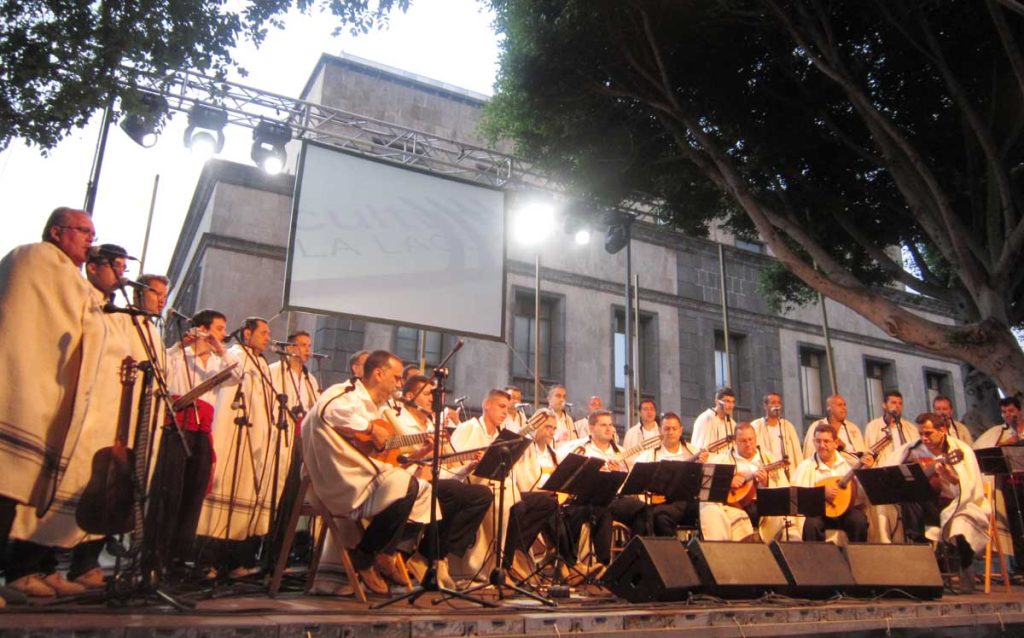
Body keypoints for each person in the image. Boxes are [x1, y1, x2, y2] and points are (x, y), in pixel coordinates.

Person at [6, 244, 135, 597]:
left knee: (80, 494)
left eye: (124, 266)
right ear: (92, 268)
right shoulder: (74, 293)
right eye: (115, 265)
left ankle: (47, 566)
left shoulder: (114, 312)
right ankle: (22, 567)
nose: (121, 273)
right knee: (47, 491)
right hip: (68, 409)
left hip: (101, 419)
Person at [0, 209, 103, 602]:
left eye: (92, 232)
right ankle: (22, 568)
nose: (90, 239)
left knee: (17, 491)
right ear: (57, 232)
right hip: (18, 388)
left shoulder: (67, 275)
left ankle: (33, 568)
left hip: (44, 397)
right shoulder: (35, 260)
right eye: (83, 231)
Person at [303, 351, 433, 595]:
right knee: (407, 485)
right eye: (395, 378)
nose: (399, 383)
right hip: (336, 473)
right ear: (378, 373)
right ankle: (369, 555)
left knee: (421, 489)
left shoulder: (378, 407)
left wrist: (419, 448)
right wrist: (369, 427)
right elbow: (326, 411)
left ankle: (384, 553)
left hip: (361, 471)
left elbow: (385, 448)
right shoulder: (345, 392)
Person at [149, 308, 241, 579]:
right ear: (202, 328)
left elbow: (237, 379)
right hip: (176, 429)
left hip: (202, 432)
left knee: (193, 494)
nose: (224, 333)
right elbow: (159, 367)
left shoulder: (217, 361)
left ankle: (179, 556)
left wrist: (221, 349)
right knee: (169, 492)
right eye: (220, 328)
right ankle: (156, 555)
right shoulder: (180, 356)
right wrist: (181, 345)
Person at [195, 316, 290, 578]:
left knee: (245, 500)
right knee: (222, 496)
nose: (268, 337)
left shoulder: (261, 363)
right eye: (263, 332)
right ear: (246, 334)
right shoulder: (235, 354)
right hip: (232, 435)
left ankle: (236, 561)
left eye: (269, 333)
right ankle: (208, 561)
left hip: (255, 440)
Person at [393, 375, 492, 587]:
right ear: (410, 396)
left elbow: (442, 473)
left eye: (435, 394)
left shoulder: (431, 424)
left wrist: (468, 466)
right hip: (408, 484)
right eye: (428, 394)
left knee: (481, 495)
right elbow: (396, 460)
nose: (433, 399)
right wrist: (425, 452)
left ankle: (433, 553)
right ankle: (432, 555)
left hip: (432, 484)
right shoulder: (400, 421)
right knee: (452, 492)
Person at [888, 413, 989, 569]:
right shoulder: (914, 449)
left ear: (942, 430)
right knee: (910, 497)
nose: (924, 438)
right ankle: (921, 549)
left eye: (928, 433)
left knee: (921, 503)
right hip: (925, 507)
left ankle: (937, 558)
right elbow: (891, 467)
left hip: (954, 504)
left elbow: (968, 486)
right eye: (920, 434)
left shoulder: (960, 450)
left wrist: (951, 477)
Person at [448, 388, 519, 578]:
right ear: (487, 405)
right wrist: (472, 464)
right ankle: (478, 566)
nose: (505, 412)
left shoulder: (500, 436)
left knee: (512, 499)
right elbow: (451, 464)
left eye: (508, 408)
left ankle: (500, 565)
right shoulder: (468, 428)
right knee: (499, 502)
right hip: (466, 486)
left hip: (491, 484)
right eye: (501, 406)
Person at [561, 410, 644, 572]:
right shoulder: (578, 448)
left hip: (615, 498)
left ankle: (635, 563)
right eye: (603, 425)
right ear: (591, 428)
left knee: (642, 510)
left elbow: (628, 484)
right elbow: (566, 473)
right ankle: (603, 566)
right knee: (602, 511)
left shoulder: (620, 452)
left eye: (611, 425)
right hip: (588, 499)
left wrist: (618, 473)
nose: (609, 428)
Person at [700, 422, 789, 542]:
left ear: (756, 439)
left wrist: (766, 482)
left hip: (763, 507)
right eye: (743, 441)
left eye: (750, 440)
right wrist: (728, 481)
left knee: (783, 521)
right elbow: (707, 484)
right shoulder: (723, 459)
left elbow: (784, 489)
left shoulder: (768, 460)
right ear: (735, 442)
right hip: (736, 507)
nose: (748, 444)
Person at [504, 409, 568, 572]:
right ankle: (566, 563)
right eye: (547, 427)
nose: (551, 432)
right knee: (549, 504)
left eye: (554, 428)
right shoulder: (524, 448)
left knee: (572, 510)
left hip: (551, 499)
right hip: (527, 496)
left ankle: (562, 560)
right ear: (535, 426)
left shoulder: (553, 454)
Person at [791, 423, 871, 543]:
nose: (822, 445)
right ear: (813, 442)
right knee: (811, 524)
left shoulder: (848, 464)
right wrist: (820, 494)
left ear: (836, 443)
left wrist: (867, 471)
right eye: (818, 441)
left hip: (845, 511)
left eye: (826, 441)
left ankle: (856, 559)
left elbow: (859, 495)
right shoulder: (805, 467)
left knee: (858, 520)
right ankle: (816, 560)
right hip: (819, 513)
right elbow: (797, 496)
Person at [632, 412, 708, 537]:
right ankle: (673, 555)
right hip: (664, 504)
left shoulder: (693, 452)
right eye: (666, 428)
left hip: (690, 503)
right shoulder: (649, 455)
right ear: (660, 431)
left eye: (674, 428)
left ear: (681, 430)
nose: (671, 432)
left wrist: (703, 466)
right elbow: (637, 478)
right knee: (660, 517)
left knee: (709, 512)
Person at [751, 392, 803, 477]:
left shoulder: (788, 426)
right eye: (773, 402)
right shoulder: (756, 426)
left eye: (778, 403)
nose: (776, 405)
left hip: (786, 472)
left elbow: (797, 452)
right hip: (766, 473)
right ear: (765, 406)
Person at [802, 394, 867, 459]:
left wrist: (844, 447)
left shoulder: (853, 428)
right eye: (840, 405)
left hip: (850, 466)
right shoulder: (816, 426)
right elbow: (809, 454)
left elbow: (861, 455)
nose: (844, 408)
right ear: (829, 408)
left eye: (844, 405)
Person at [864, 390, 918, 456]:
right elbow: (868, 453)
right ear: (884, 405)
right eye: (893, 403)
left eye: (900, 403)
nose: (897, 406)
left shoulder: (911, 428)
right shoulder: (872, 427)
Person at [621, 399, 660, 465]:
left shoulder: (662, 432)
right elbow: (625, 457)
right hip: (636, 470)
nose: (649, 412)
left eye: (652, 409)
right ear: (639, 413)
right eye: (645, 409)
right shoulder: (631, 433)